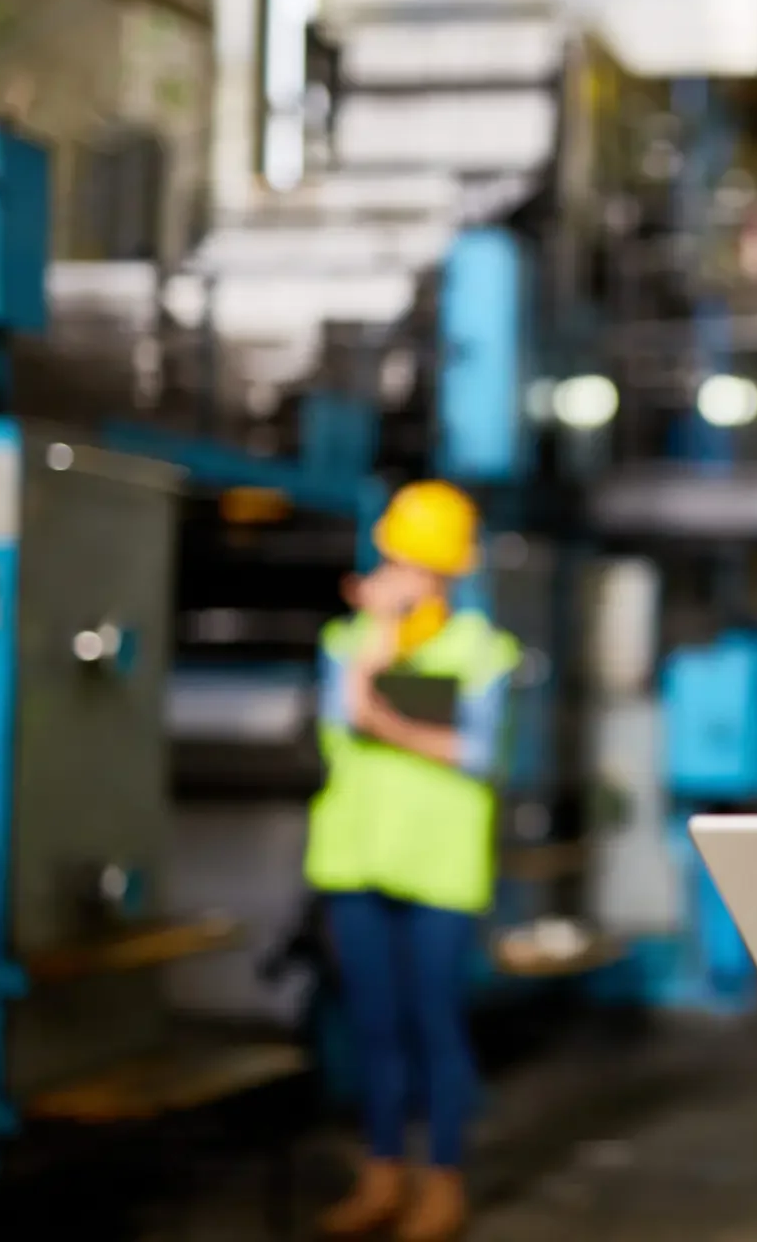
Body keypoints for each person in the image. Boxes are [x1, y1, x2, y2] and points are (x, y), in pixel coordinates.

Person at [306, 480, 520, 1242]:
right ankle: (381, 1176)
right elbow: (343, 716)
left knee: (436, 1026)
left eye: (422, 566)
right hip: (357, 865)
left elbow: (477, 755)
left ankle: (444, 1183)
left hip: (438, 871)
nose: (408, 578)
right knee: (374, 1028)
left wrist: (383, 720)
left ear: (451, 574)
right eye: (400, 561)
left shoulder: (483, 652)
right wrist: (379, 638)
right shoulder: (346, 643)